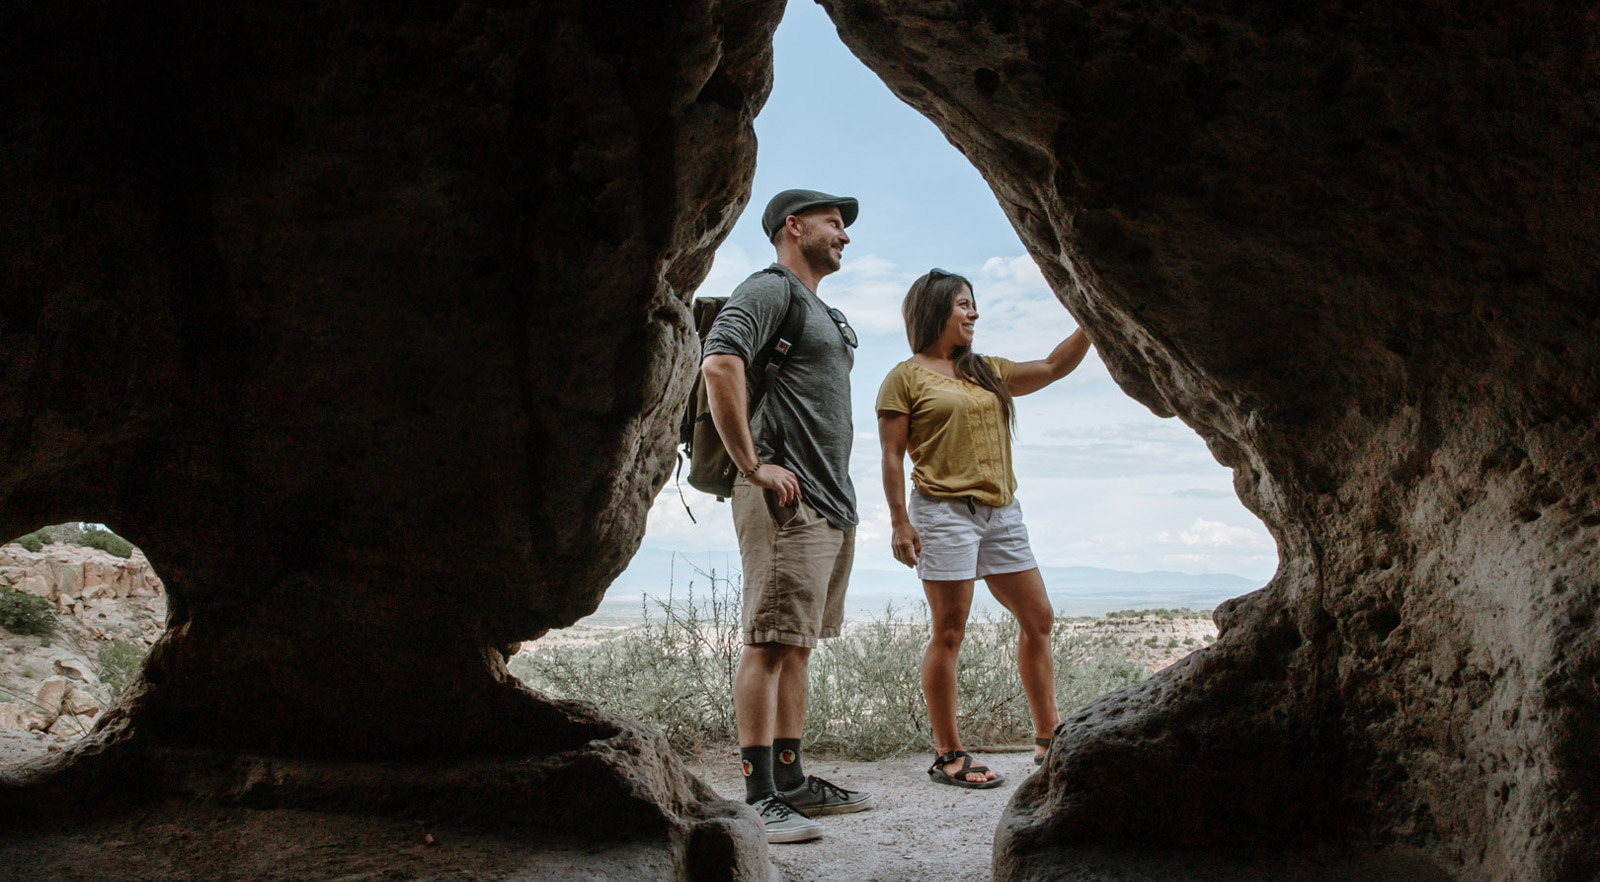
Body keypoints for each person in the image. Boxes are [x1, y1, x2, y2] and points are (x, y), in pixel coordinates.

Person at [701, 189, 876, 843]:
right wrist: (752, 466)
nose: (845, 235)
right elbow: (721, 364)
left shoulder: (821, 309)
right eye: (834, 223)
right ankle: (759, 798)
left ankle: (795, 781)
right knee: (769, 644)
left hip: (827, 502)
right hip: (782, 498)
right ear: (792, 227)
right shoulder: (771, 287)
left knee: (796, 647)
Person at [875, 268, 1090, 789]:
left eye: (974, 305)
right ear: (934, 310)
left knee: (1038, 617)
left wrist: (1093, 319)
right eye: (963, 305)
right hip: (942, 512)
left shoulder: (987, 370)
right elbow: (891, 455)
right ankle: (948, 753)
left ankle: (1048, 737)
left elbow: (1055, 366)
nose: (973, 314)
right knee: (948, 631)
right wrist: (899, 520)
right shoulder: (904, 376)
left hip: (1002, 512)